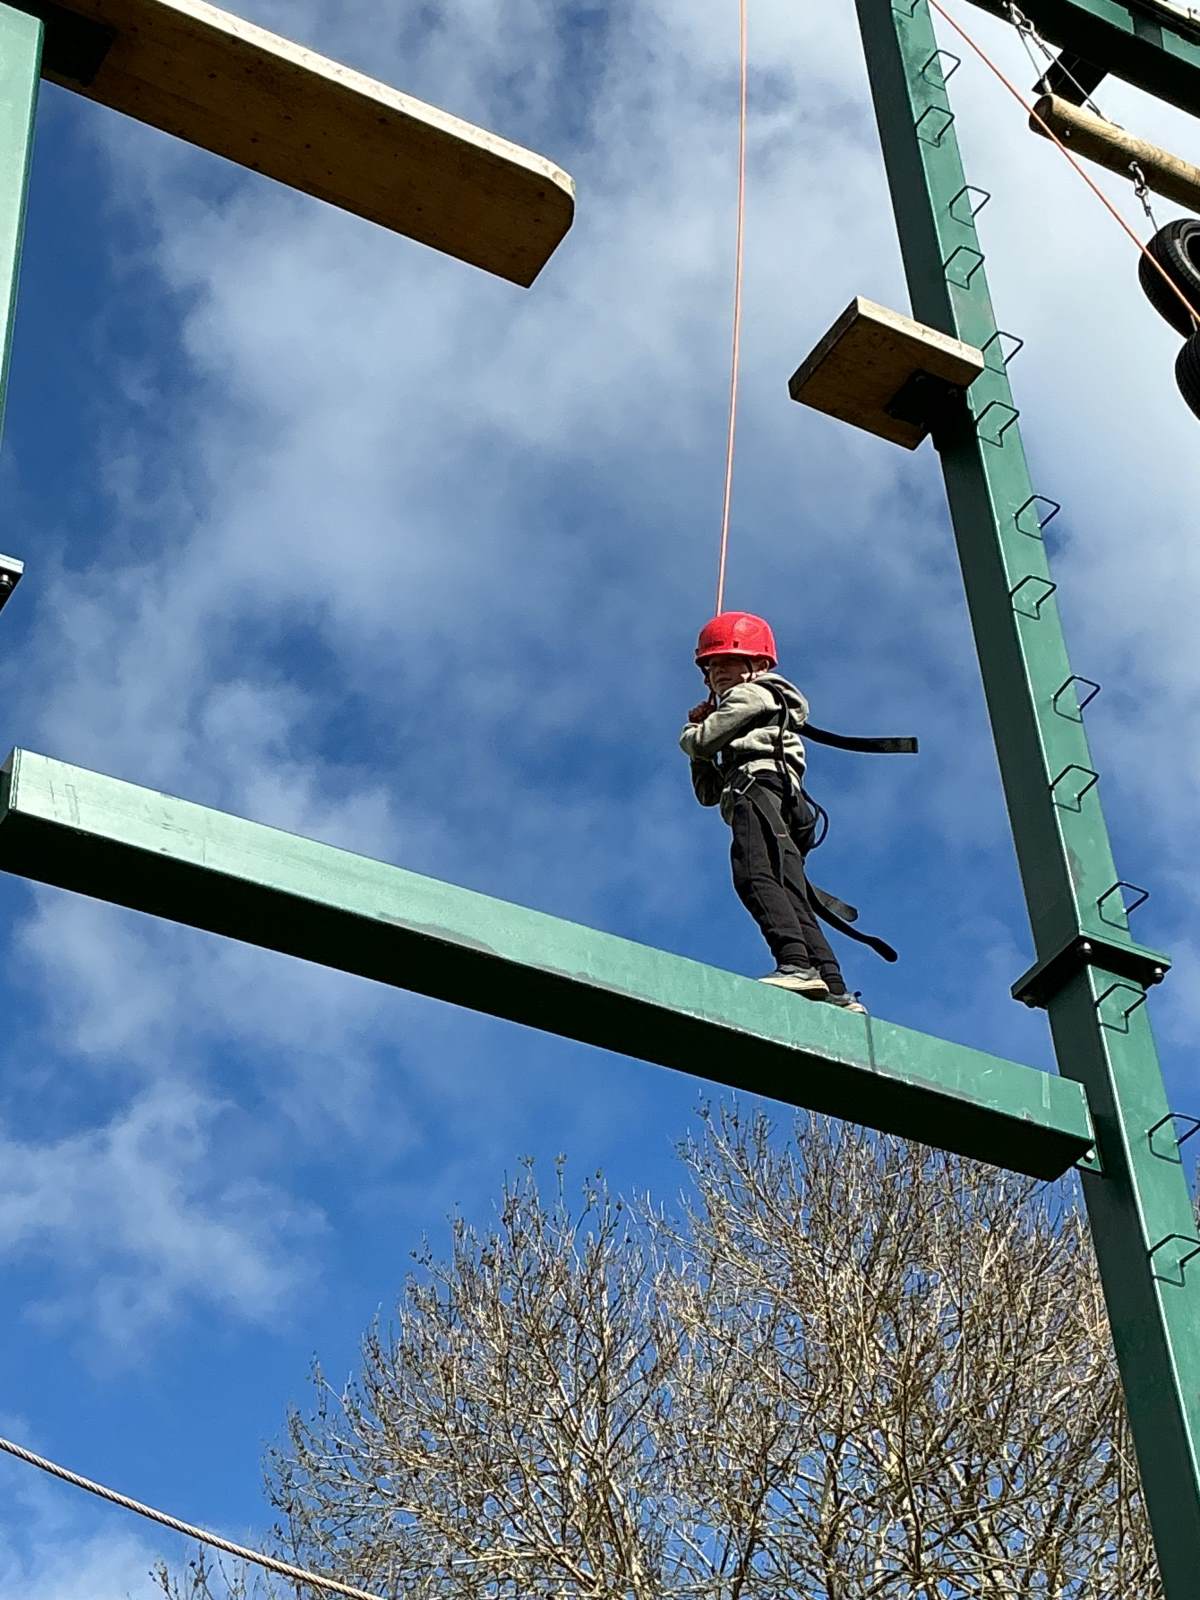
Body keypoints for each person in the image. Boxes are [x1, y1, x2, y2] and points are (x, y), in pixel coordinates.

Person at [679, 610, 868, 1011]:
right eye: (711, 667)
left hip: (758, 789)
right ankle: (833, 985)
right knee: (789, 890)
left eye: (728, 662)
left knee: (753, 876)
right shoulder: (754, 712)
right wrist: (702, 751)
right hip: (776, 796)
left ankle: (796, 964)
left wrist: (695, 732)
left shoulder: (753, 694)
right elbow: (708, 792)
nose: (717, 673)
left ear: (758, 665)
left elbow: (701, 742)